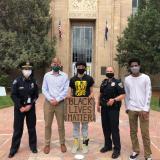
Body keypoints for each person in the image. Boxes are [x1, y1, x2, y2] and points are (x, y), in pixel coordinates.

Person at [8, 62, 39, 158]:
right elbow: (13, 95)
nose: (27, 71)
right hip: (19, 109)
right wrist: (20, 106)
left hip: (30, 108)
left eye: (29, 69)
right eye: (25, 69)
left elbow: (36, 95)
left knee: (32, 128)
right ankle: (13, 149)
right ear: (22, 70)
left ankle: (33, 146)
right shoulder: (17, 81)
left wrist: (30, 105)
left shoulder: (34, 81)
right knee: (17, 129)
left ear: (31, 70)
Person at [124, 58, 152, 160]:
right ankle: (135, 150)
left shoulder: (146, 78)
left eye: (136, 65)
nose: (134, 67)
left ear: (139, 66)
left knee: (145, 133)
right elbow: (126, 94)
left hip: (143, 110)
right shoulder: (127, 79)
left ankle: (148, 154)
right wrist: (127, 107)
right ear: (130, 68)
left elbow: (148, 93)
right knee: (133, 132)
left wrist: (146, 108)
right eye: (132, 66)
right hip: (131, 109)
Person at [97, 66, 125, 159]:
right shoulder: (104, 82)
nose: (109, 72)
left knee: (114, 129)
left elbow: (123, 95)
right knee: (105, 128)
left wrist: (114, 99)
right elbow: (100, 94)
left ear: (114, 72)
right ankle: (108, 146)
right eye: (108, 71)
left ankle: (117, 149)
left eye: (111, 71)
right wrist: (98, 104)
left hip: (113, 109)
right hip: (104, 108)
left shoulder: (118, 82)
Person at [42, 57, 69, 154]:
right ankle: (47, 144)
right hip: (48, 103)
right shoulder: (47, 76)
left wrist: (57, 100)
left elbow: (65, 90)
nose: (56, 64)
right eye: (54, 62)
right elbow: (44, 89)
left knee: (61, 125)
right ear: (51, 64)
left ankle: (62, 143)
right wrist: (50, 99)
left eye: (58, 63)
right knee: (47, 125)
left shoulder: (65, 76)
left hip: (60, 103)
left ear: (60, 64)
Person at [67, 61, 94, 154]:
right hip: (75, 105)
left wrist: (91, 96)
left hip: (85, 105)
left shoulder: (89, 79)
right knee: (75, 127)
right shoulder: (72, 79)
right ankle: (76, 144)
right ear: (76, 67)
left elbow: (92, 92)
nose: (81, 67)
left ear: (85, 68)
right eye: (79, 66)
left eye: (82, 66)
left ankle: (85, 144)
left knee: (85, 126)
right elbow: (70, 92)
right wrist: (69, 96)